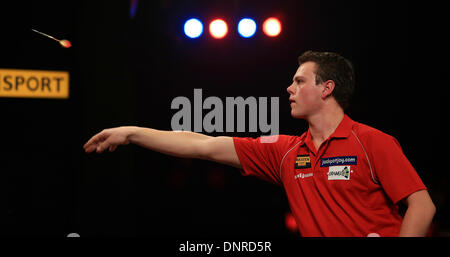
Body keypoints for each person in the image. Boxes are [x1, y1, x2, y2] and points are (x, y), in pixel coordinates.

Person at [83, 51, 435, 237]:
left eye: (299, 81)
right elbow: (202, 144)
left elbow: (422, 206)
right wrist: (131, 132)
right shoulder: (284, 152)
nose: (289, 89)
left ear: (327, 88)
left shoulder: (372, 142)